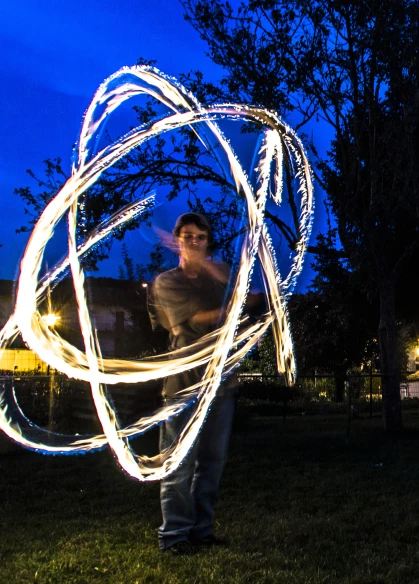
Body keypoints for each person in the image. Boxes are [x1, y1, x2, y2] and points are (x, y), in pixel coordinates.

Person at [150, 212, 237, 555]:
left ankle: (202, 530)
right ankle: (174, 535)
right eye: (187, 236)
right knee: (179, 464)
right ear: (177, 241)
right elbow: (195, 320)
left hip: (222, 385)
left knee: (212, 462)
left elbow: (245, 297)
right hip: (183, 388)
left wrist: (228, 280)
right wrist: (235, 307)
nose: (195, 242)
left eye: (201, 236)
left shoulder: (219, 280)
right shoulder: (167, 282)